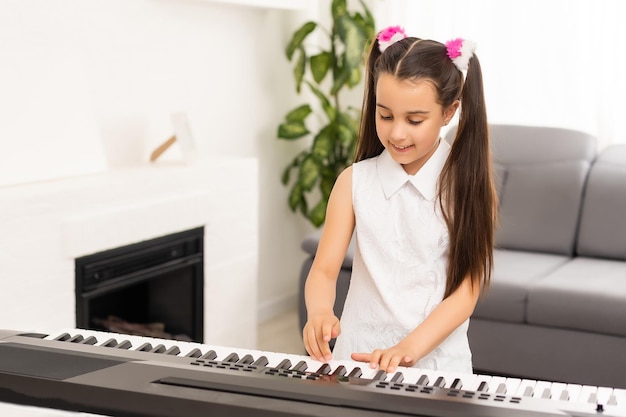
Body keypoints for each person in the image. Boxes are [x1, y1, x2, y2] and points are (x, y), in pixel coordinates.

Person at [302, 26, 496, 375]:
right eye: (385, 115)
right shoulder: (354, 182)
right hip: (356, 359)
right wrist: (318, 312)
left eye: (415, 119)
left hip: (437, 366)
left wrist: (410, 348)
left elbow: (467, 290)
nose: (396, 132)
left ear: (449, 113)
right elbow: (324, 269)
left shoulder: (466, 187)